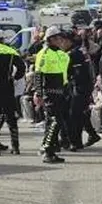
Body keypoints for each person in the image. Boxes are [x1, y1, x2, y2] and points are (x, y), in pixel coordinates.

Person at [33, 26, 72, 164]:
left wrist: (66, 89)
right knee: (55, 121)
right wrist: (38, 93)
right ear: (49, 39)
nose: (60, 40)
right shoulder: (44, 53)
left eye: (61, 38)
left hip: (61, 91)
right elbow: (38, 74)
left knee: (55, 121)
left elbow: (65, 75)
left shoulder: (62, 54)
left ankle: (49, 148)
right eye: (56, 38)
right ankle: (48, 150)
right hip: (49, 91)